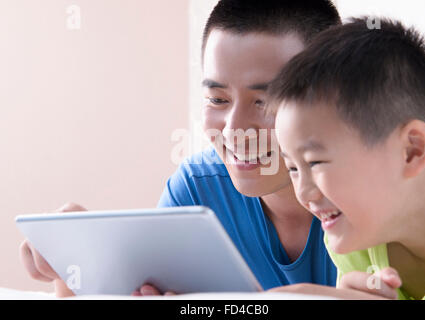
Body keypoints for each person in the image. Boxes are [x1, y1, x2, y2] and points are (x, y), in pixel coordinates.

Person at [20, 0, 343, 298]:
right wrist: (75, 270)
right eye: (218, 100)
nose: (234, 130)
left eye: (265, 102)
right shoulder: (197, 190)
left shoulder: (368, 194)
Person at [268, 17, 425, 299]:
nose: (303, 194)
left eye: (315, 162)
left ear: (411, 151)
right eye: (292, 167)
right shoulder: (355, 241)